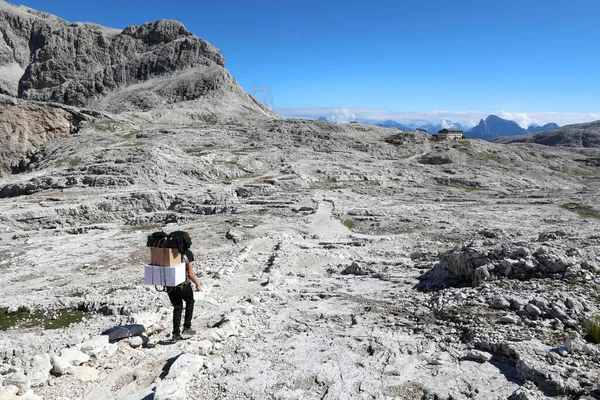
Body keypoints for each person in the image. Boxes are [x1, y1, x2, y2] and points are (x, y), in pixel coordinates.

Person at [168, 232, 200, 342]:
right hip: (182, 285)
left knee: (177, 307)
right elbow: (190, 274)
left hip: (169, 285)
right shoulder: (187, 253)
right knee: (190, 301)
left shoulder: (169, 252)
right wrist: (197, 283)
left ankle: (175, 334)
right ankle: (187, 327)